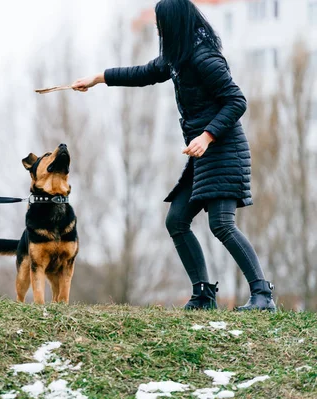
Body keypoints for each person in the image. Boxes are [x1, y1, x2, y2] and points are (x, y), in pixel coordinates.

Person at [71, 0, 275, 311]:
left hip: (223, 150)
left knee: (221, 223)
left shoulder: (204, 56)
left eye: (161, 24)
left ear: (175, 24)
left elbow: (237, 100)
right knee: (177, 220)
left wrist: (207, 136)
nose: (158, 29)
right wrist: (98, 78)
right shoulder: (177, 57)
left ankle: (263, 296)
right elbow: (145, 73)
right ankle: (204, 294)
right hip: (203, 155)